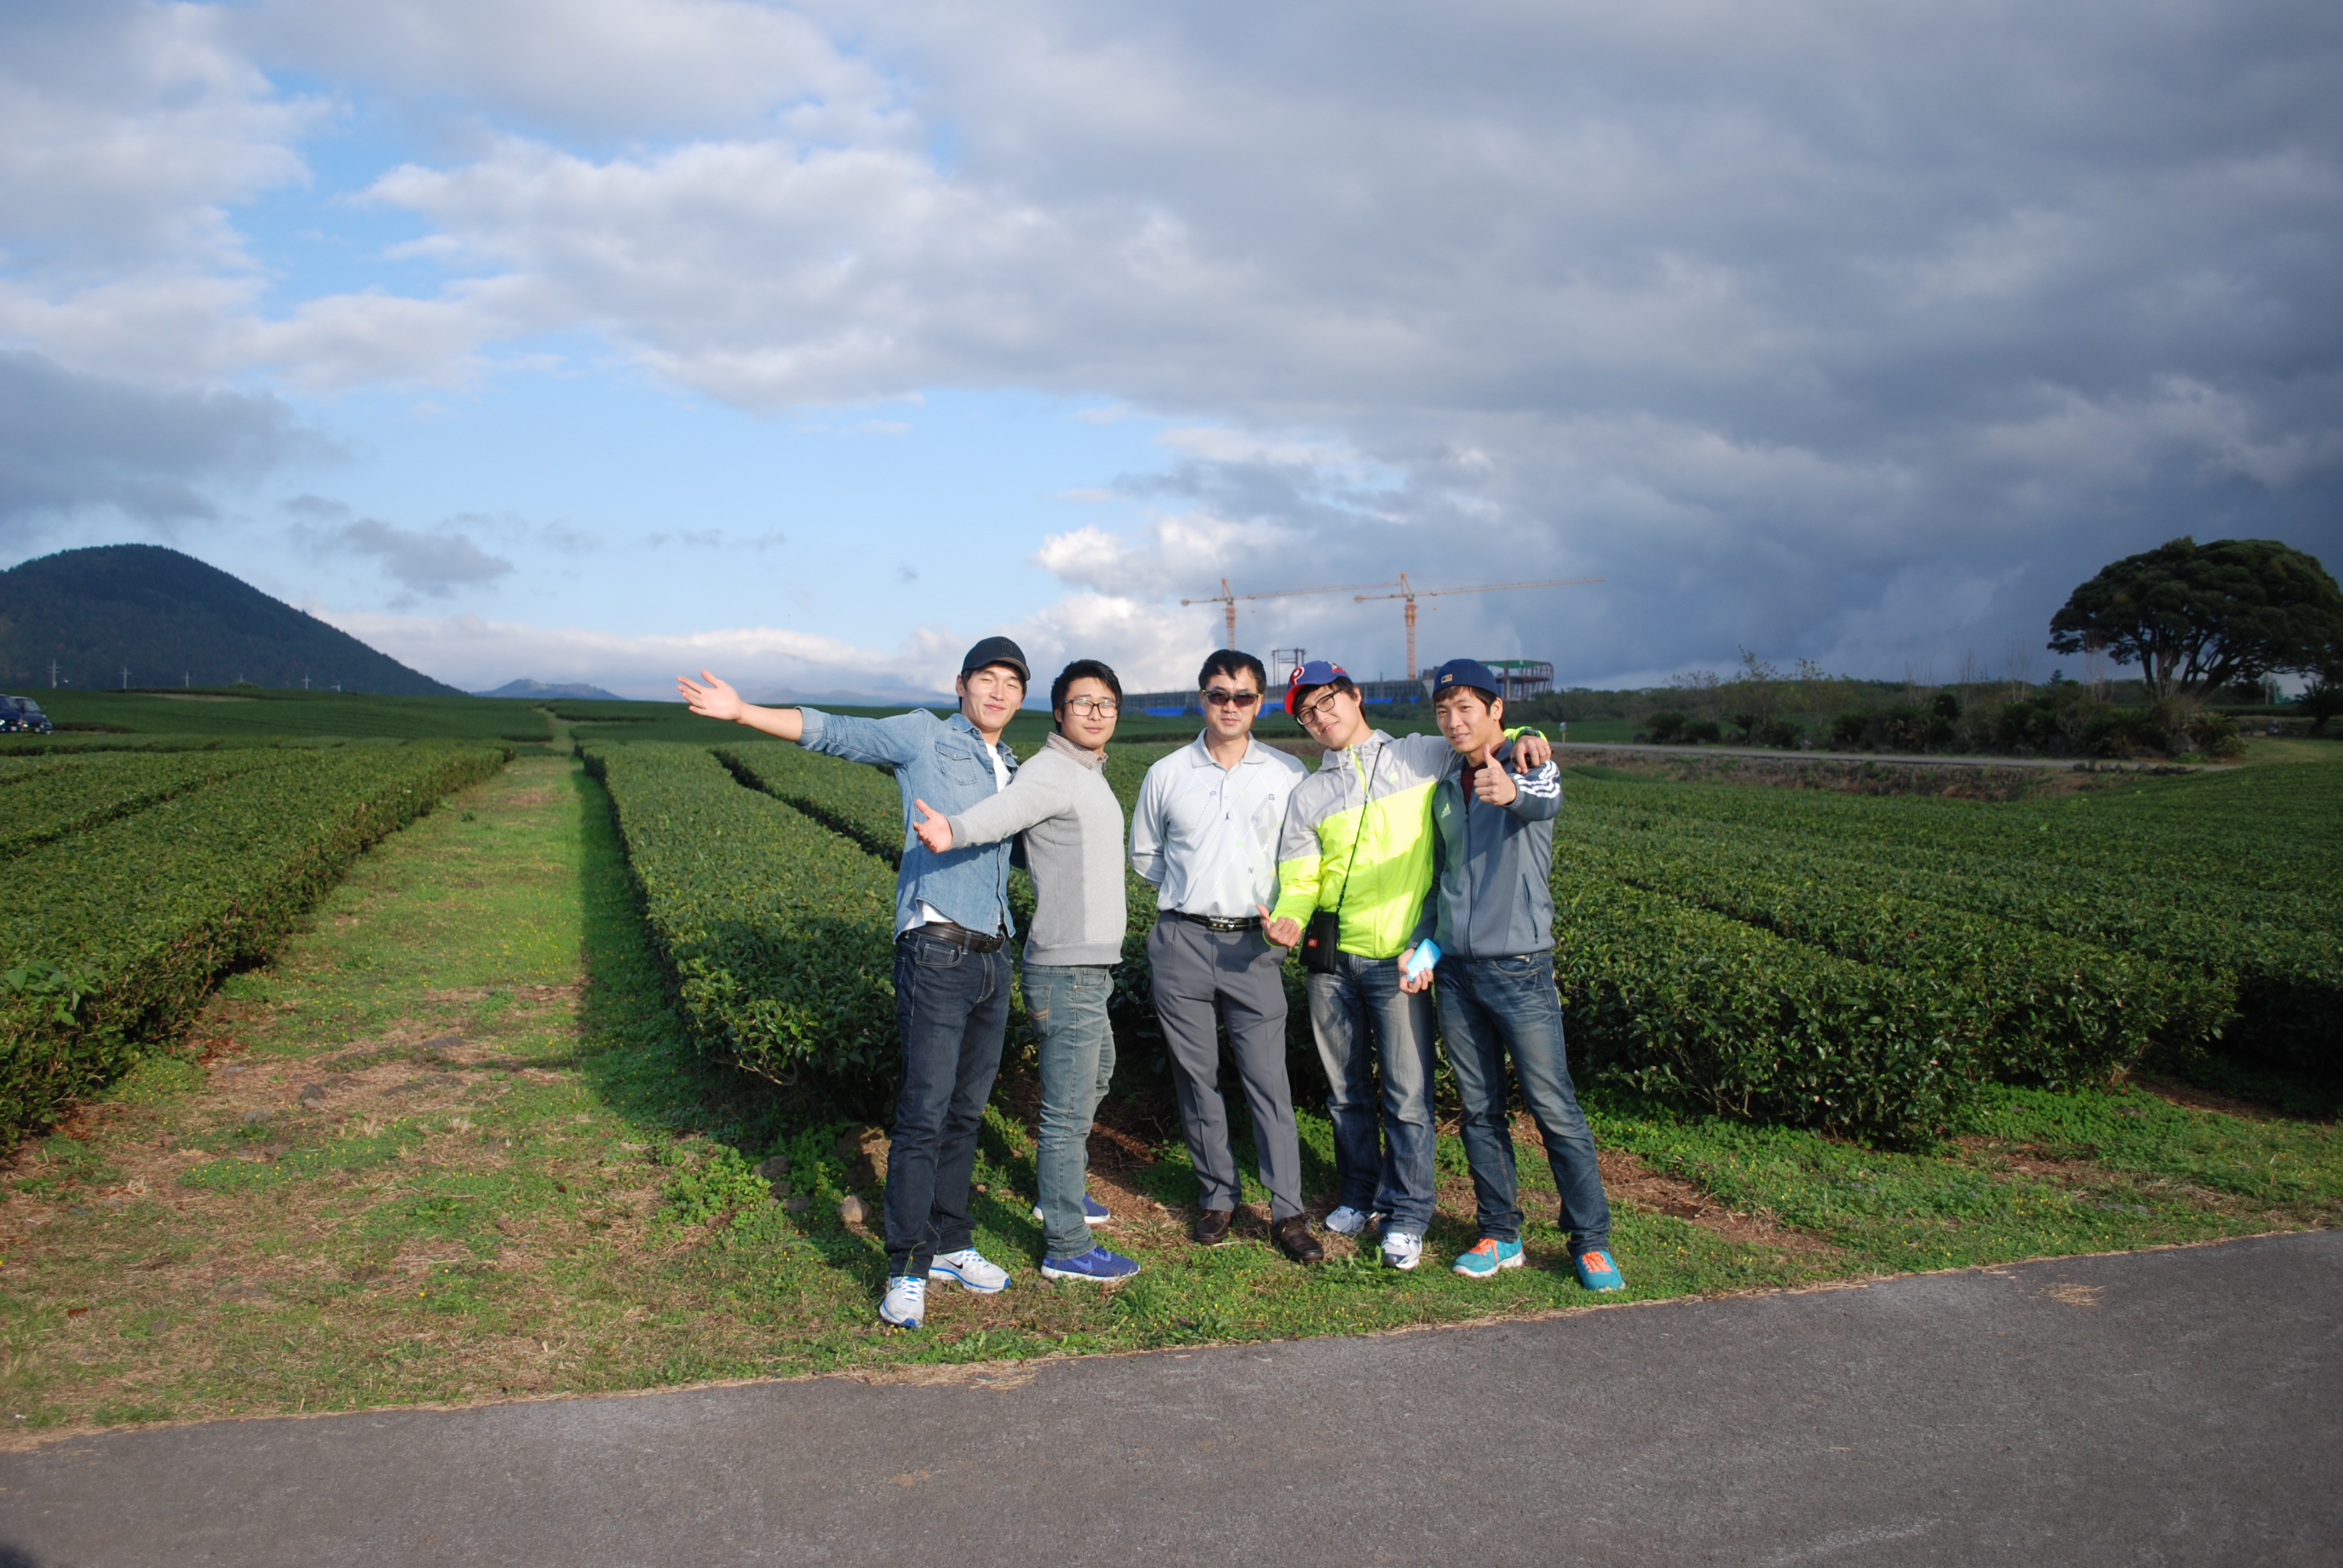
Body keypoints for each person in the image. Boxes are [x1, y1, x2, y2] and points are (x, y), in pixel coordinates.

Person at [677, 638, 1031, 1330]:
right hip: (936, 947)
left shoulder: (1010, 765)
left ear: (1021, 697)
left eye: (1011, 683)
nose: (997, 692)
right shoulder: (923, 736)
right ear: (960, 685)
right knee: (925, 1112)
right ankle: (906, 1265)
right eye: (986, 679)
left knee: (966, 1113)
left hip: (993, 952)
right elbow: (838, 732)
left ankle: (952, 1242)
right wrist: (744, 712)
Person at [1262, 659, 1548, 1270]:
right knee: (1345, 1093)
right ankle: (1360, 1194)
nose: (1320, 717)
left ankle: (1409, 1213)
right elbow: (1301, 877)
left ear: (1354, 696)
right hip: (1331, 962)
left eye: (1328, 701)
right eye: (1307, 713)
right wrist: (1289, 916)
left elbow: (1480, 737)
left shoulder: (1420, 756)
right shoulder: (1309, 794)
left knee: (1406, 1095)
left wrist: (1527, 735)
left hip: (1399, 961)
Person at [910, 659, 1141, 1284]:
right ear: (1059, 713)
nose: (1096, 713)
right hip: (1067, 968)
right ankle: (1066, 1245)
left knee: (1096, 1075)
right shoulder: (1050, 771)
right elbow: (1003, 813)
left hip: (1090, 965)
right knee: (1066, 1109)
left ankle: (1059, 1191)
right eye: (1082, 702)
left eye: (1107, 704)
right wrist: (954, 831)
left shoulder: (1086, 773)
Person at [1411, 658, 1622, 1293]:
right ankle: (1500, 1233)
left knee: (1554, 1108)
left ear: (1496, 710)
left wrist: (1512, 790)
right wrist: (1426, 944)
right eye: (1443, 711)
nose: (1453, 722)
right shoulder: (1446, 785)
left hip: (1520, 968)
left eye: (1465, 709)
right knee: (1479, 1110)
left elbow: (1545, 800)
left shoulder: (1530, 761)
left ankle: (1590, 1242)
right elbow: (1443, 875)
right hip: (1456, 974)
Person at [1129, 650, 1321, 1264]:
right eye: (1218, 695)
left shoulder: (1288, 772)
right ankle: (1217, 1196)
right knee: (1196, 1078)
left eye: (1242, 696)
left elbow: (1303, 855)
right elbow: (1144, 855)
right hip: (1181, 941)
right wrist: (1192, 888)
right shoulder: (1166, 774)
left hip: (1253, 947)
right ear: (1202, 699)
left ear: (1259, 703)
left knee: (1268, 1080)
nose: (1230, 706)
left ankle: (1287, 1211)